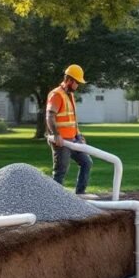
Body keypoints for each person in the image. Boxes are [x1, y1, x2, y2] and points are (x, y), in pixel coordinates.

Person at [47, 64, 93, 195]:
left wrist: (78, 135)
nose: (78, 86)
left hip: (73, 139)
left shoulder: (70, 95)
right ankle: (56, 200)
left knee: (87, 162)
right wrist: (56, 135)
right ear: (69, 80)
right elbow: (50, 115)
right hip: (62, 141)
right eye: (77, 82)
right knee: (60, 171)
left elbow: (71, 119)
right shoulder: (57, 94)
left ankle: (80, 194)